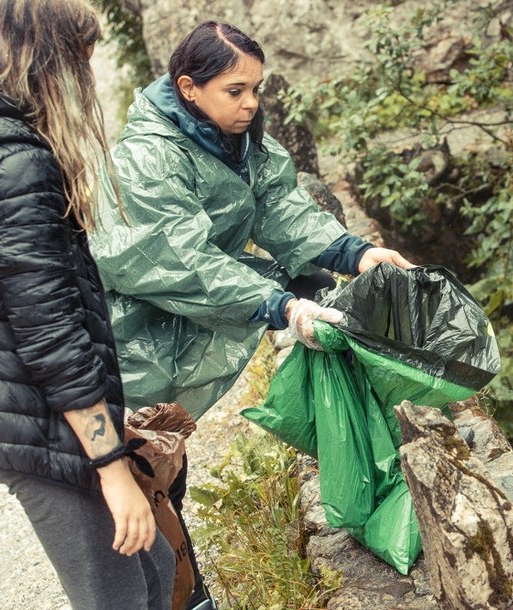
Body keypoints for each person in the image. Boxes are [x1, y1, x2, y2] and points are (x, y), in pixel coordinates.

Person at [89, 21, 415, 609]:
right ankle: (173, 597)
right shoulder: (148, 157)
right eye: (235, 90)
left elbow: (282, 207)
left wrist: (355, 253)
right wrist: (279, 304)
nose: (251, 103)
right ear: (188, 88)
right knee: (130, 479)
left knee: (163, 467)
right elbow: (177, 257)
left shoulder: (236, 139)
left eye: (256, 89)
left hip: (178, 328)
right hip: (130, 336)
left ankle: (183, 592)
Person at [0, 1, 175, 608]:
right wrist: (111, 466)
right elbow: (52, 332)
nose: (87, 80)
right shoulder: (19, 163)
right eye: (81, 63)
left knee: (157, 567)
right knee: (117, 594)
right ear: (49, 63)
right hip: (38, 424)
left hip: (23, 407)